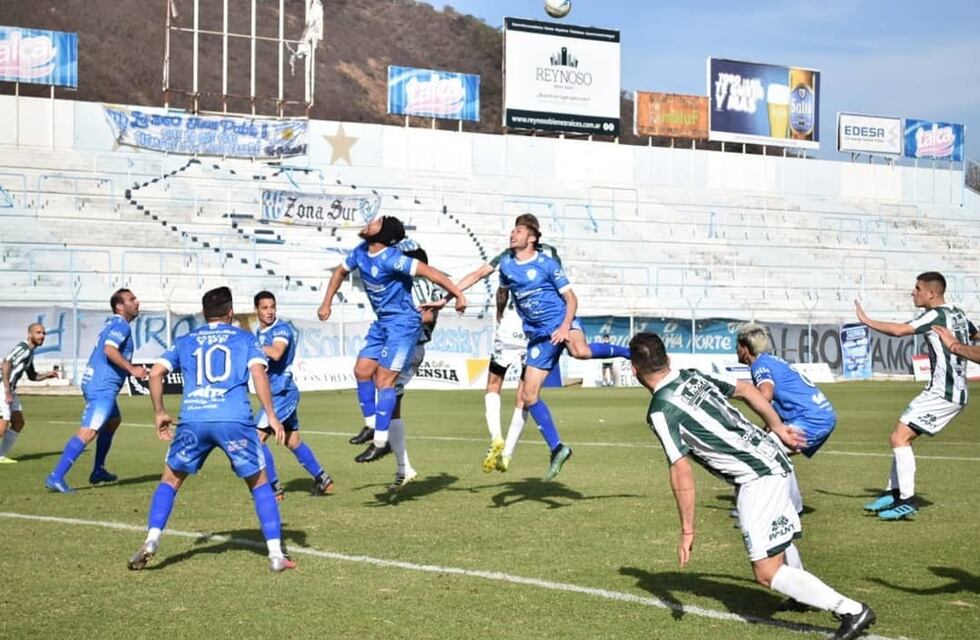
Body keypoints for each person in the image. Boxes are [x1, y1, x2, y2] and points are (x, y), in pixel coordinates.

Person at [630, 332, 875, 640]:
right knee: (780, 542)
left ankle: (851, 610)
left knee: (765, 572)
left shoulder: (660, 410)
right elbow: (745, 389)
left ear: (634, 370)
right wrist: (778, 428)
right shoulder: (690, 376)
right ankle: (801, 598)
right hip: (771, 457)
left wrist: (688, 530)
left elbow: (681, 471)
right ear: (668, 359)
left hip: (756, 477)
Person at [430, 213, 630, 480]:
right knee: (529, 396)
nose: (513, 234)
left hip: (561, 322)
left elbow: (571, 298)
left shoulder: (547, 263)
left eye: (519, 231)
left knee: (580, 352)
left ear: (532, 238)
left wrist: (564, 326)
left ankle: (631, 353)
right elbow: (478, 275)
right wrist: (447, 297)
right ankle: (558, 448)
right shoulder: (506, 262)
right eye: (512, 231)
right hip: (537, 336)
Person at [128, 286, 295, 573]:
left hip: (193, 417)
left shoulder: (186, 340)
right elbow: (258, 373)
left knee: (170, 480)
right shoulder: (245, 338)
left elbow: (155, 373)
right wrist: (271, 416)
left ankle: (152, 540)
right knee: (259, 484)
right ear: (230, 312)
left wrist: (159, 413)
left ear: (204, 314)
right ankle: (276, 555)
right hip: (234, 419)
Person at [317, 216, 466, 465]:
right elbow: (341, 272)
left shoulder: (393, 259)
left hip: (404, 325)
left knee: (385, 379)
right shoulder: (360, 252)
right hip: (383, 322)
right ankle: (371, 425)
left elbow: (430, 272)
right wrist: (326, 302)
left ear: (383, 234)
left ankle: (381, 441)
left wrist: (458, 294)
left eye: (375, 222)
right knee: (362, 370)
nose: (368, 223)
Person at [855, 271, 977, 520]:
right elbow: (975, 334)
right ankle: (894, 492)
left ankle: (907, 499)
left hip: (944, 393)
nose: (913, 292)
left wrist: (867, 320)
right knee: (900, 436)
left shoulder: (935, 315)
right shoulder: (958, 313)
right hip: (944, 391)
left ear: (932, 293)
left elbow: (900, 331)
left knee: (899, 438)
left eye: (918, 288)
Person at [46, 289, 147, 492]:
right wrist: (132, 369)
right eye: (131, 299)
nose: (137, 302)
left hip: (99, 382)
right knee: (89, 430)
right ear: (120, 306)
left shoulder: (114, 323)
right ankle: (56, 476)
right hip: (102, 386)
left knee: (112, 421)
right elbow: (109, 350)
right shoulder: (120, 324)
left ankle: (98, 469)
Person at [736, 322, 837, 514]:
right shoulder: (771, 360)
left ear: (744, 348)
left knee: (763, 452)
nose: (735, 350)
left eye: (737, 345)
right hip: (822, 415)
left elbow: (764, 395)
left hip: (812, 420)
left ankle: (778, 507)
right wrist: (771, 424)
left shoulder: (759, 365)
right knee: (773, 451)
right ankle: (790, 506)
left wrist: (743, 395)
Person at [253, 291, 334, 500]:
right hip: (276, 392)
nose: (270, 311)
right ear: (257, 310)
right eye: (265, 307)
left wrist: (251, 347)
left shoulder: (281, 329)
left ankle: (273, 488)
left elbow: (277, 352)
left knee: (257, 439)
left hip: (282, 392)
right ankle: (323, 479)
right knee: (292, 440)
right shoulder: (258, 333)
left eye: (272, 307)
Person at [482, 287, 529, 474]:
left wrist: (500, 314)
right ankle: (507, 454)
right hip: (530, 333)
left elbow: (502, 293)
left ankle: (496, 437)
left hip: (508, 330)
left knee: (493, 385)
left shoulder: (511, 264)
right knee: (524, 396)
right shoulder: (546, 266)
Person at [0, 323, 59, 463]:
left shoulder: (30, 353)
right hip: (3, 388)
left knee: (18, 422)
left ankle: (1, 455)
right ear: (29, 334)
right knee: (2, 429)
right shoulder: (24, 348)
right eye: (38, 333)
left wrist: (47, 375)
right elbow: (6, 363)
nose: (42, 336)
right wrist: (7, 390)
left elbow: (32, 375)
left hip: (10, 389)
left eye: (44, 333)